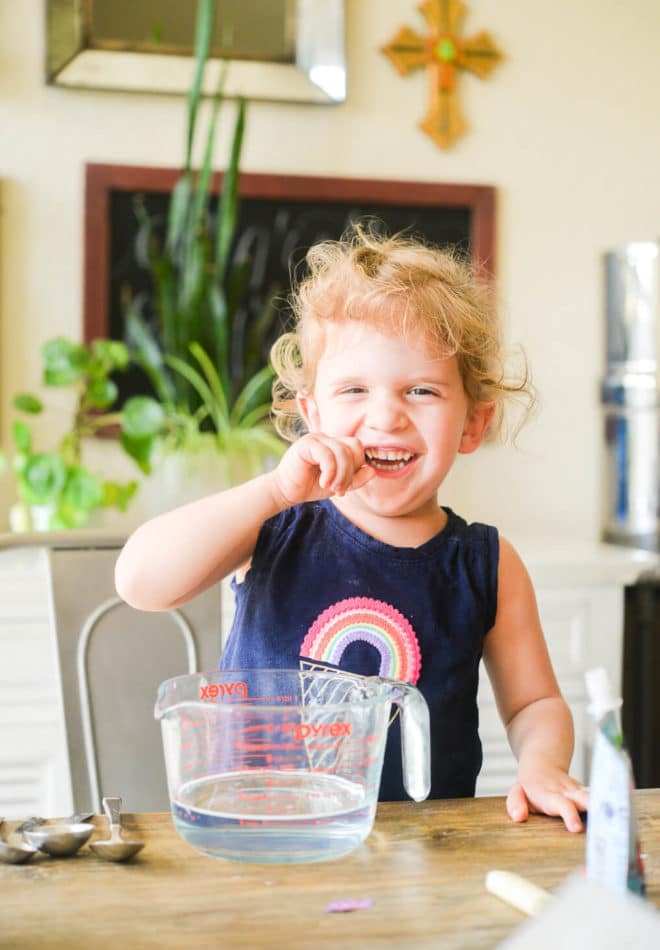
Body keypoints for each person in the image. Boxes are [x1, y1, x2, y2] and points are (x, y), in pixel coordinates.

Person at [115, 226, 588, 832]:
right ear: (312, 413)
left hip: (425, 852)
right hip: (262, 838)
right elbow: (140, 582)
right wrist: (275, 491)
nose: (386, 415)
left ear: (473, 423)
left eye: (421, 390)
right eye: (354, 390)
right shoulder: (273, 524)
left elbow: (534, 703)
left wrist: (542, 766)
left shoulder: (486, 563)